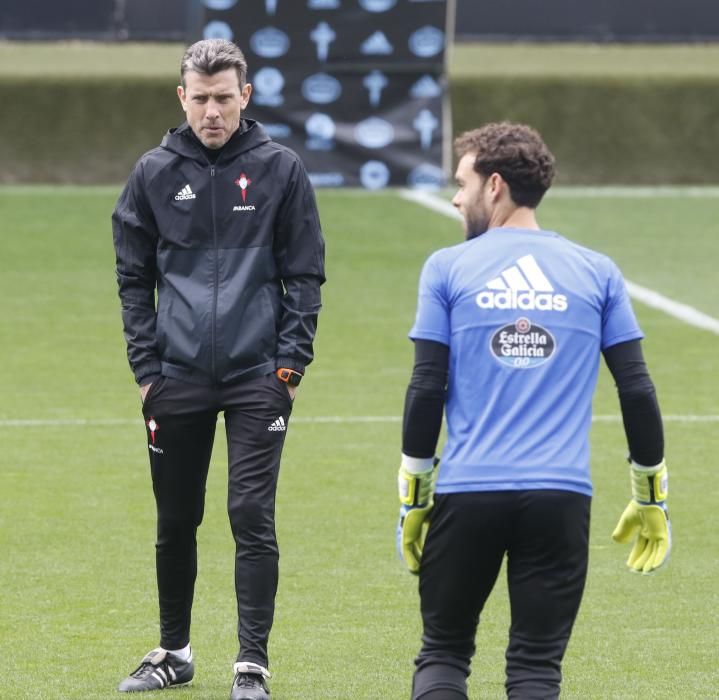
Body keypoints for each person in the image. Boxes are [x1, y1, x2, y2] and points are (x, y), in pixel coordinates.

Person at [396, 122, 670, 699]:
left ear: (494, 186)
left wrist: (414, 491)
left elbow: (426, 385)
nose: (454, 196)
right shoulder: (597, 271)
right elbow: (638, 389)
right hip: (561, 498)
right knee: (535, 669)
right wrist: (651, 494)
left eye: (461, 181)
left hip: (469, 491)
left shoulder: (447, 267)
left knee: (444, 655)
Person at [112, 39, 325, 699]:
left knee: (249, 513)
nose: (211, 111)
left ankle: (251, 665)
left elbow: (305, 274)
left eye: (223, 98)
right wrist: (147, 369)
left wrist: (287, 367)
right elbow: (131, 279)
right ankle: (173, 653)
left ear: (245, 97)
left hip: (257, 376)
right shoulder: (151, 172)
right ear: (182, 97)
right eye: (200, 98)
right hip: (175, 378)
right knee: (176, 519)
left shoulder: (280, 170)